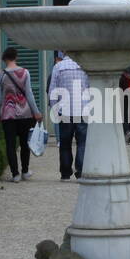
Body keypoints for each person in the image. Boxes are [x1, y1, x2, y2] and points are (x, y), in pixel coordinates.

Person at [0, 46, 42, 182]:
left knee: (10, 145)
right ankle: (25, 171)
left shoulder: (0, 75)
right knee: (24, 144)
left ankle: (15, 174)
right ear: (16, 57)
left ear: (4, 59)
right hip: (26, 114)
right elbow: (29, 94)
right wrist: (37, 112)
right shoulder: (25, 72)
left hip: (7, 115)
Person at [48, 51, 90, 180]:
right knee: (82, 143)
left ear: (64, 53)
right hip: (82, 110)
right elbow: (90, 88)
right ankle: (81, 171)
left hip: (64, 111)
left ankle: (65, 173)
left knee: (65, 143)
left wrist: (54, 109)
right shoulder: (84, 66)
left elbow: (52, 91)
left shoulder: (58, 67)